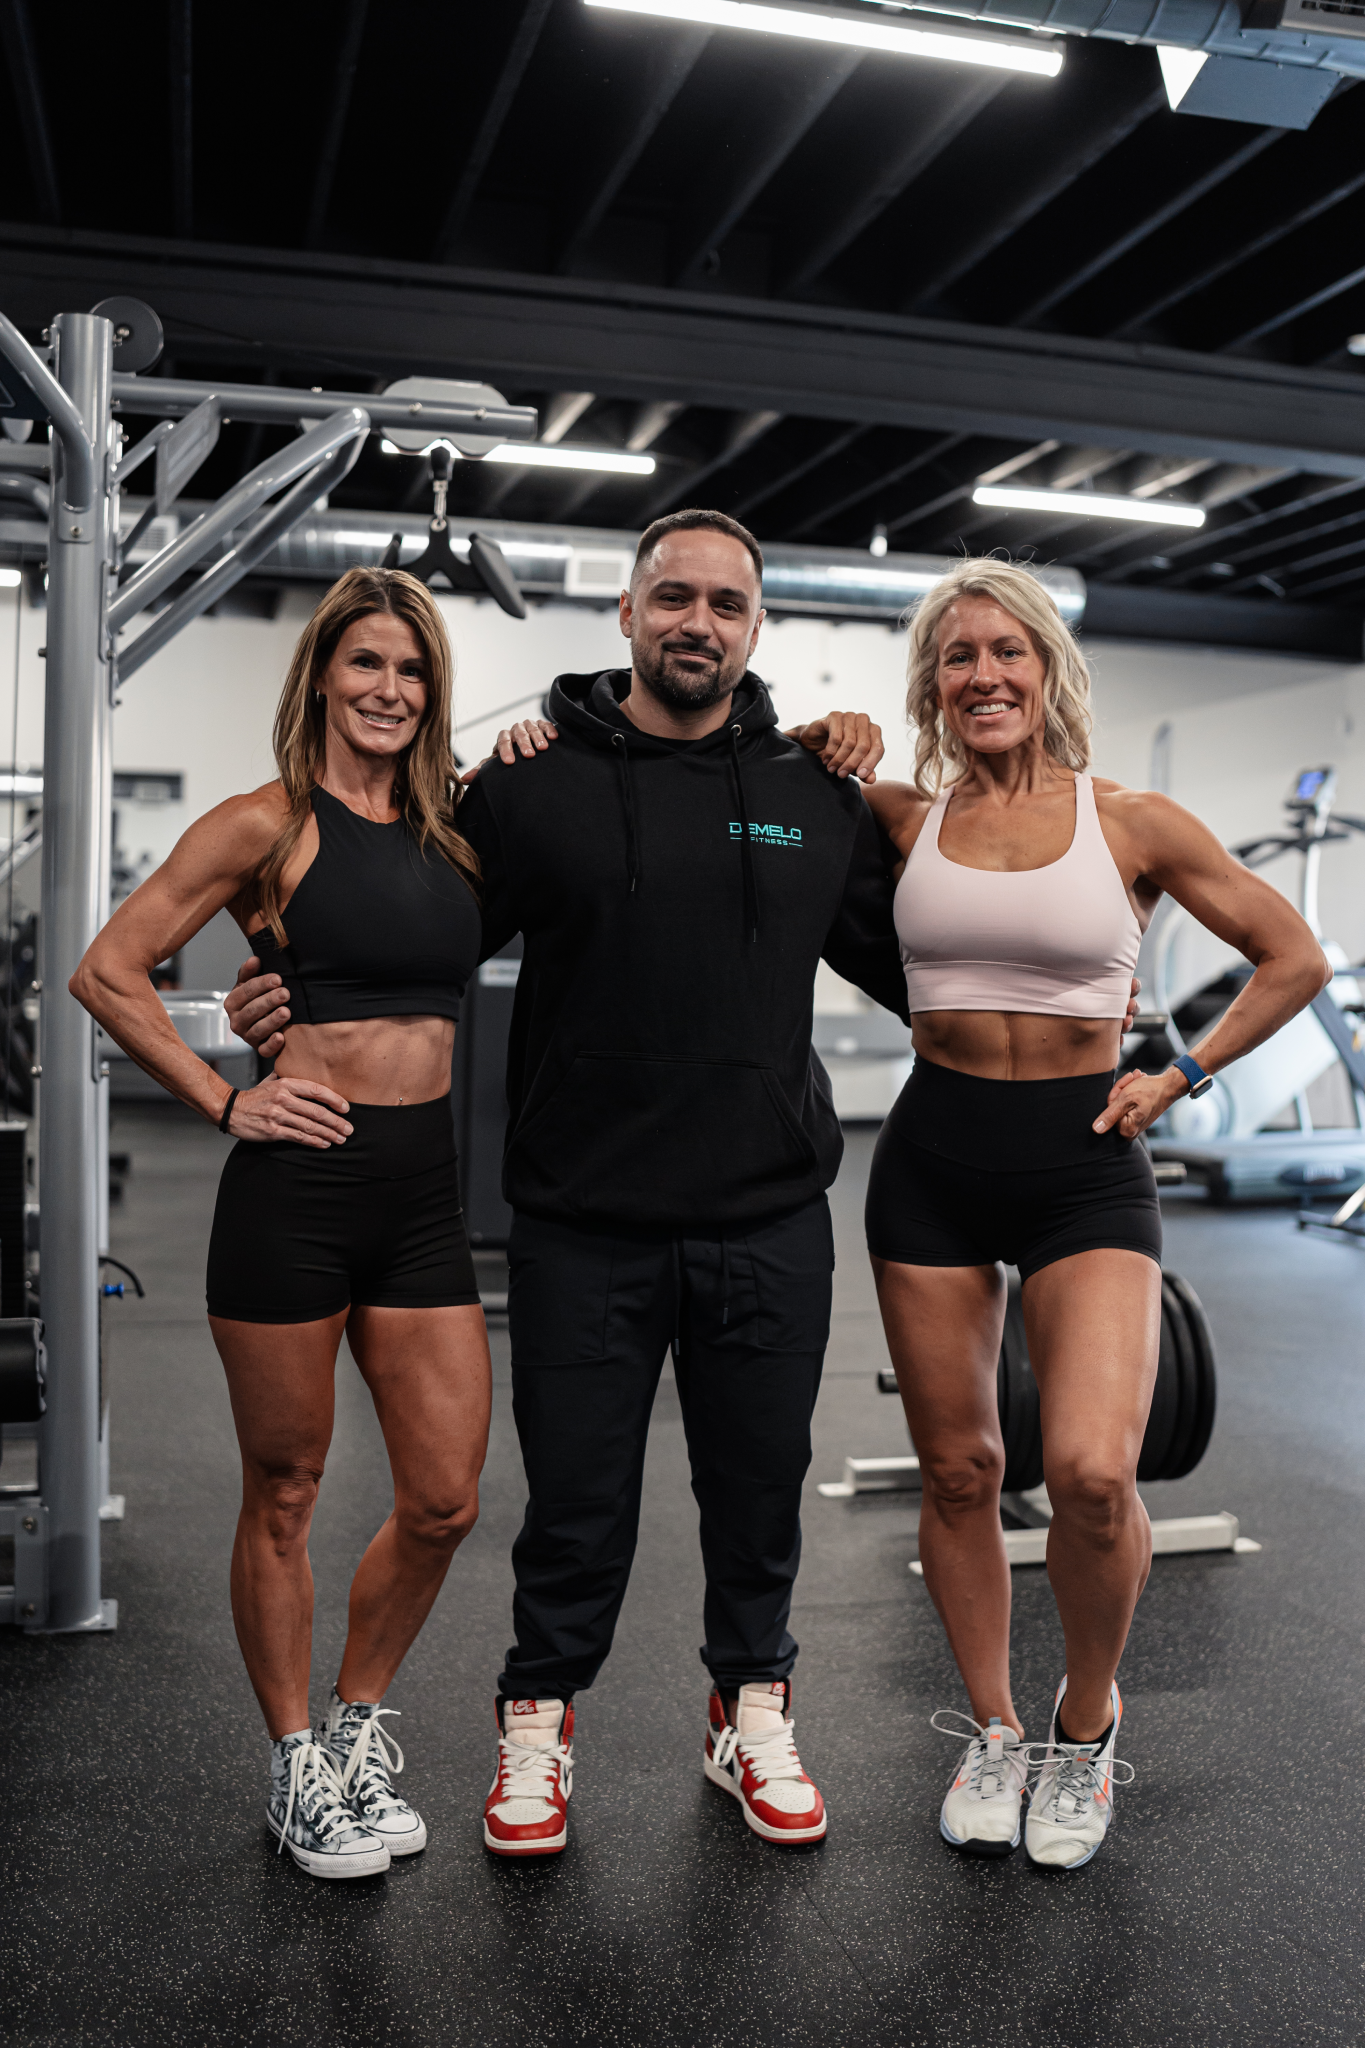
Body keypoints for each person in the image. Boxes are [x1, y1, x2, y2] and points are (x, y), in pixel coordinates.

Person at [226, 508, 904, 1857]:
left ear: (755, 625)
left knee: (763, 1486)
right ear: (629, 614)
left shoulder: (809, 790)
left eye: (725, 603)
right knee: (574, 1504)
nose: (697, 623)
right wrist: (275, 998)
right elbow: (400, 925)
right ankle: (536, 1725)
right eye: (673, 599)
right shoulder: (530, 787)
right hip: (584, 1220)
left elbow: (924, 964)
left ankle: (750, 1712)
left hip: (771, 1214)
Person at [860, 557, 1328, 1871]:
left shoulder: (1131, 821)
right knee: (961, 1469)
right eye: (959, 656)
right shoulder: (901, 819)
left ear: (1049, 670)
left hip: (1085, 1161)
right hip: (935, 1158)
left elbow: (1296, 955)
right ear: (933, 684)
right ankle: (996, 1731)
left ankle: (1084, 1724)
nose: (984, 674)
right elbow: (738, 817)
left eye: (1008, 652)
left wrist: (1181, 1071)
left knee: (1092, 1473)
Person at [72, 567, 491, 1880]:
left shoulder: (454, 829)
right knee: (289, 1487)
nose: (389, 691)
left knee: (443, 1498)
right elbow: (108, 967)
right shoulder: (265, 824)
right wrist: (221, 1101)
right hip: (295, 1193)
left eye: (413, 671)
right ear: (319, 676)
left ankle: (360, 1721)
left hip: (423, 1195)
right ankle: (295, 1759)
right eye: (366, 664)